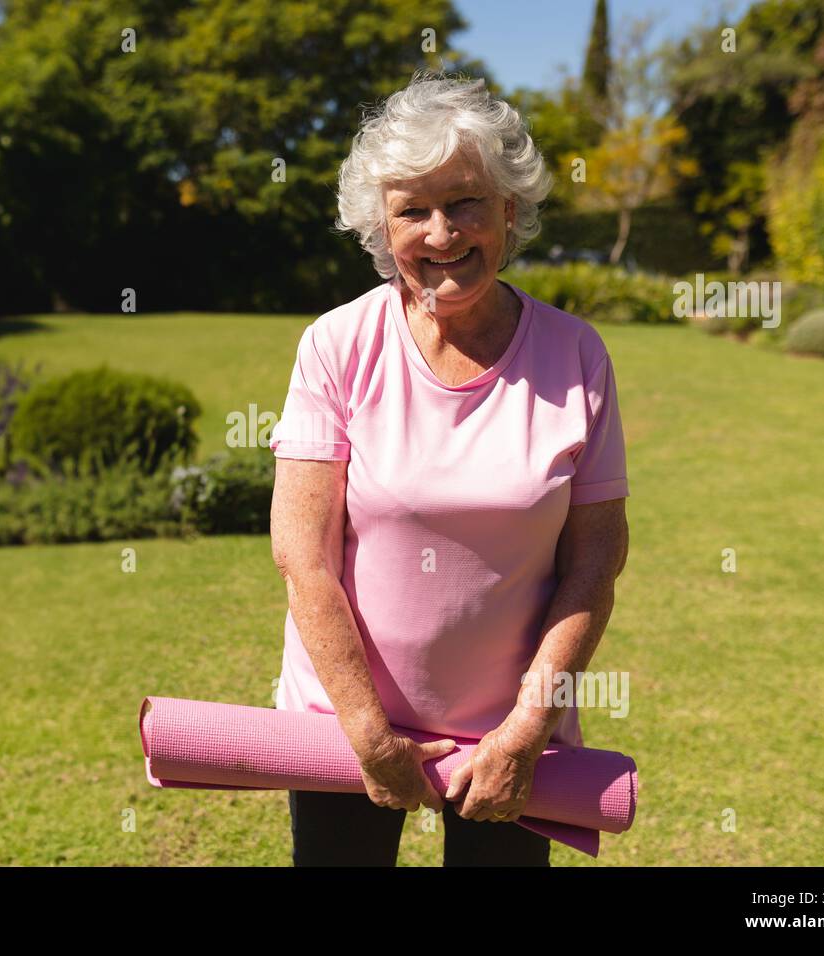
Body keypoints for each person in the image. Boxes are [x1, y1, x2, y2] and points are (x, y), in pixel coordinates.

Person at [268, 72, 630, 866]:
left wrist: (529, 728)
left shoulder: (576, 354)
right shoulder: (335, 344)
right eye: (412, 211)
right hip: (343, 723)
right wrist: (367, 730)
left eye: (465, 201)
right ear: (380, 226)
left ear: (508, 207)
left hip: (511, 733)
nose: (441, 233)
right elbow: (303, 556)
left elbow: (594, 561)